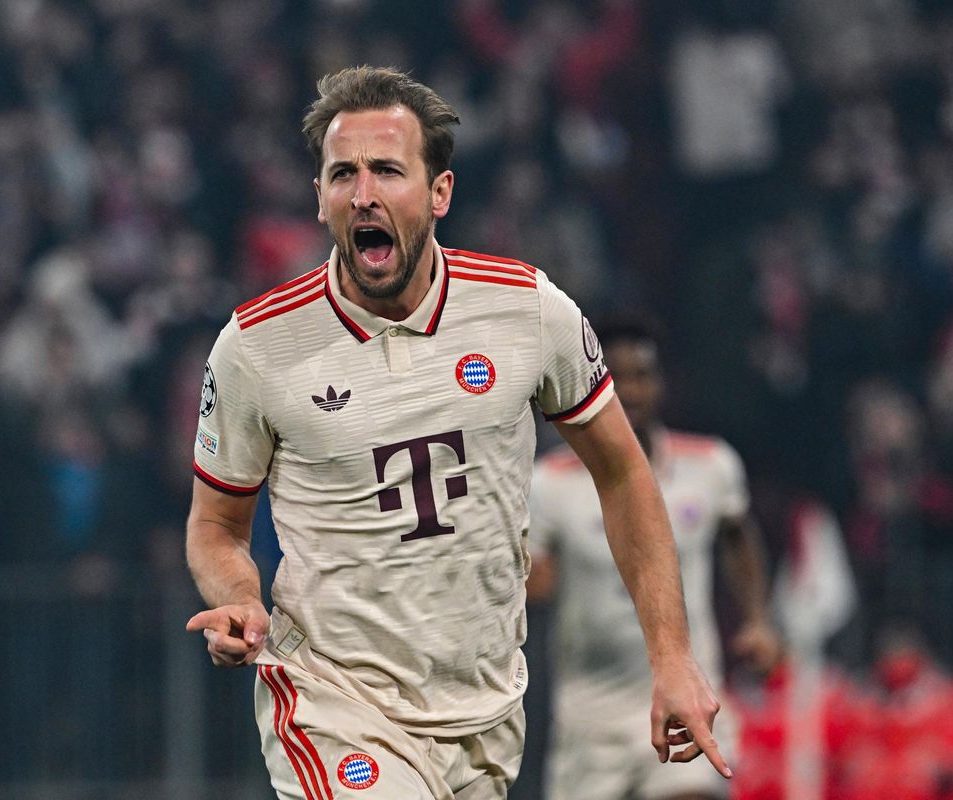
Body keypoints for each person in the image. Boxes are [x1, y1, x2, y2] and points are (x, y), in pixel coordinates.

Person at [184, 66, 729, 800]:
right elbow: (216, 525)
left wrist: (673, 657)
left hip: (484, 712)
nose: (363, 193)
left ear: (440, 192)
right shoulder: (256, 346)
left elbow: (625, 473)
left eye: (387, 170)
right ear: (319, 197)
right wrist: (241, 598)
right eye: (343, 174)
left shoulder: (527, 311)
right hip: (332, 702)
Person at [528, 316, 781, 800]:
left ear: (662, 383)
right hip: (589, 714)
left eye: (642, 376)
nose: (630, 392)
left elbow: (737, 534)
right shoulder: (550, 483)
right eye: (616, 378)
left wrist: (758, 619)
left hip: (683, 694)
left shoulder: (710, 465)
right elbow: (536, 584)